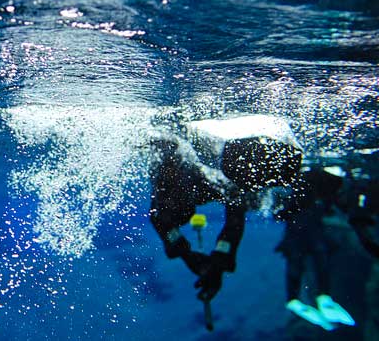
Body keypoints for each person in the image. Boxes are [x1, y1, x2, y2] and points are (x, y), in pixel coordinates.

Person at [150, 115, 304, 303]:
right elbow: (234, 221)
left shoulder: (176, 177)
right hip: (238, 154)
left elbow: (160, 219)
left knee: (246, 190)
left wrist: (196, 258)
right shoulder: (203, 184)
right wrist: (211, 260)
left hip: (234, 153)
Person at [273, 167, 356, 330]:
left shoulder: (317, 185)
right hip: (308, 231)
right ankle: (319, 297)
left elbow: (281, 212)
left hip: (301, 231)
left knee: (300, 259)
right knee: (316, 257)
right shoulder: (324, 185)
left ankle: (300, 299)